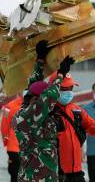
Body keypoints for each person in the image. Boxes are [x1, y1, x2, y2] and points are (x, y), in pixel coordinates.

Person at [12, 40, 75, 181]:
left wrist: (40, 59)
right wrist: (60, 75)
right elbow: (49, 96)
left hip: (39, 175)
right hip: (38, 177)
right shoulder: (29, 115)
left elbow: (34, 86)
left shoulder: (25, 111)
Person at [0, 95, 22, 182]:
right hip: (30, 148)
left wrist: (6, 142)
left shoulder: (9, 106)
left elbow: (4, 127)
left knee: (15, 175)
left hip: (14, 148)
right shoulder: (38, 104)